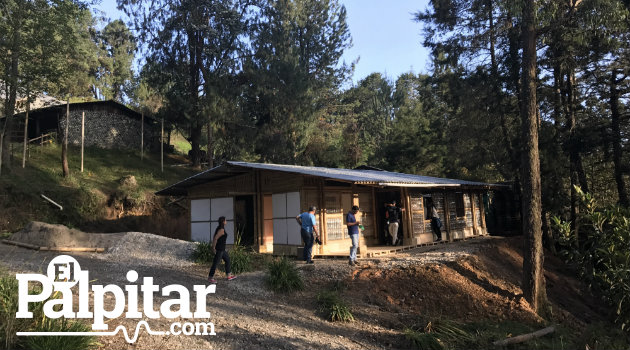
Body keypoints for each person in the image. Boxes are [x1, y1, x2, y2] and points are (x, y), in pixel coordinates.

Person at [208, 216, 237, 284]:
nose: (226, 221)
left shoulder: (220, 228)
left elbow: (215, 236)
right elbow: (215, 238)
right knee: (215, 263)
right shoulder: (221, 230)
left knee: (227, 260)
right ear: (223, 221)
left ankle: (229, 275)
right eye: (225, 220)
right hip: (219, 249)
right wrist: (213, 247)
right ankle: (210, 277)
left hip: (222, 250)